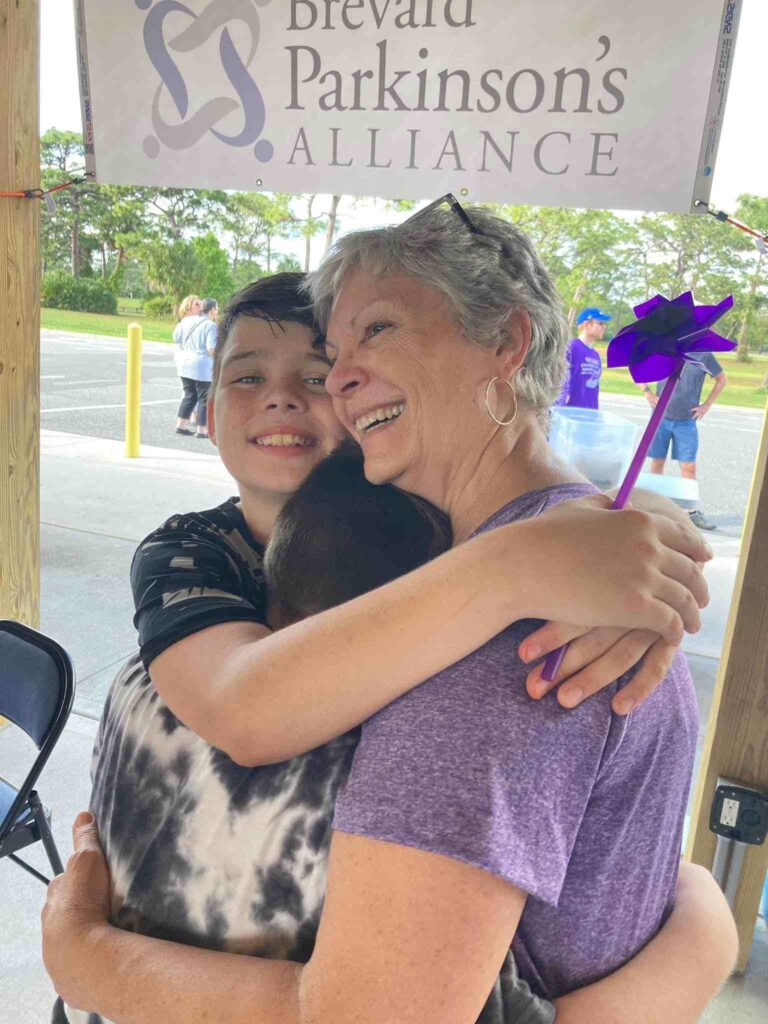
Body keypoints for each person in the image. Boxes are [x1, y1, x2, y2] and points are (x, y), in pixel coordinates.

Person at [42, 257, 733, 1024]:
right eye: (244, 378)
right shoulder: (191, 551)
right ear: (209, 415)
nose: (282, 395)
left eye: (319, 373)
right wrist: (704, 930)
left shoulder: (433, 538)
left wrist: (622, 533)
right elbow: (241, 707)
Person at [641, 353, 728, 530]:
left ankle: (691, 512)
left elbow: (722, 379)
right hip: (660, 418)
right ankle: (656, 507)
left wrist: (706, 405)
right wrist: (647, 392)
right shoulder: (667, 348)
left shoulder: (703, 355)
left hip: (686, 421)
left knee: (688, 466)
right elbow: (639, 368)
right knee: (657, 462)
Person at [173, 297, 219, 439]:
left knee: (189, 395)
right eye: (217, 309)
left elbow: (176, 338)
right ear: (211, 310)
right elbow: (211, 348)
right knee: (204, 398)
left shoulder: (186, 320)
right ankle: (201, 430)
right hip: (202, 367)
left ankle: (180, 425)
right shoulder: (211, 326)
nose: (217, 312)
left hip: (185, 364)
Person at [555, 307, 612, 409]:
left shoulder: (595, 354)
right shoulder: (571, 347)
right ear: (587, 324)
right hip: (570, 411)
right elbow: (560, 378)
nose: (604, 327)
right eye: (600, 323)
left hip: (590, 411)